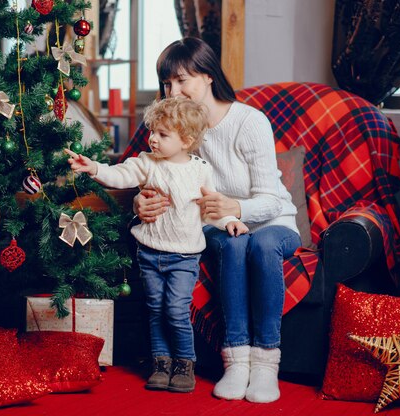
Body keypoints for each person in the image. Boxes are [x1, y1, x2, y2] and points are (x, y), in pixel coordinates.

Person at [133, 37, 301, 403]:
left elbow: (271, 200)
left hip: (273, 223)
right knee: (236, 243)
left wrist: (237, 209)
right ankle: (237, 361)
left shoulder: (249, 121)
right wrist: (138, 202)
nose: (172, 91)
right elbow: (142, 171)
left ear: (208, 76)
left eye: (182, 80)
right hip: (215, 227)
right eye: (166, 83)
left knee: (261, 242)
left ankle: (266, 363)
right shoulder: (173, 126)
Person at [65, 97, 249, 393]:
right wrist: (95, 168)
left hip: (184, 256)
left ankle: (184, 363)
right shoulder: (146, 163)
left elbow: (209, 205)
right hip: (150, 252)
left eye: (163, 135)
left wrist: (228, 220)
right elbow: (120, 175)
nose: (153, 138)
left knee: (175, 309)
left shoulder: (199, 170)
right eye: (152, 131)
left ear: (186, 140)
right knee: (154, 308)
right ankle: (160, 363)